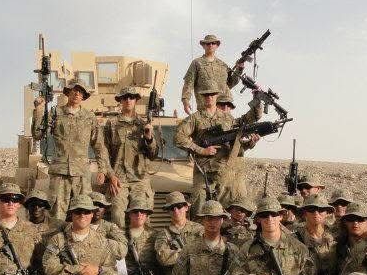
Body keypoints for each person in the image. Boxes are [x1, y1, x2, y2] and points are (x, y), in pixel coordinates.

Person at [175, 80, 259, 212]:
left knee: (229, 215)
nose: (209, 97)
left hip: (225, 175)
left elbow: (250, 120)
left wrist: (257, 100)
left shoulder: (228, 119)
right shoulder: (195, 118)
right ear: (201, 97)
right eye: (206, 94)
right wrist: (202, 150)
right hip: (203, 176)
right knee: (200, 214)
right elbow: (178, 137)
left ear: (216, 96)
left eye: (212, 94)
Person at [31, 80, 109, 220]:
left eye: (81, 91)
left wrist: (102, 169)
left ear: (84, 96)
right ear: (68, 92)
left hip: (81, 175)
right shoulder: (56, 113)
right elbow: (37, 134)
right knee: (57, 215)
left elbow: (99, 145)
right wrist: (39, 110)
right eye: (74, 90)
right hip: (60, 173)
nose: (77, 93)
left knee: (83, 214)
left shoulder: (89, 117)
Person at [103, 87, 159, 226]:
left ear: (136, 100)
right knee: (116, 215)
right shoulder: (112, 124)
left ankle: (143, 246)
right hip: (119, 179)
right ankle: (120, 246)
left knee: (143, 217)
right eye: (125, 97)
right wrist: (110, 176)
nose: (128, 100)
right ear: (120, 101)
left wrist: (149, 138)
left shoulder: (145, 124)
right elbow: (103, 152)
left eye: (132, 97)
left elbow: (153, 155)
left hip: (140, 179)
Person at [295, 194, 337, 275]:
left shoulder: (337, 235)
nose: (316, 213)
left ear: (327, 213)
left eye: (321, 210)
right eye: (312, 209)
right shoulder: (294, 238)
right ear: (305, 212)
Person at [181, 33, 242, 114]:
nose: (210, 45)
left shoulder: (223, 65)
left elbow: (230, 83)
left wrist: (239, 69)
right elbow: (188, 83)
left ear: (217, 46)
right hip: (205, 108)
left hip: (223, 107)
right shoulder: (197, 63)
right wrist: (185, 100)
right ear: (203, 45)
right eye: (208, 43)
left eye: (213, 43)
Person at [153, 191, 202, 275]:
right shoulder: (164, 233)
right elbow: (163, 257)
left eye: (179, 206)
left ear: (186, 207)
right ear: (168, 211)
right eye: (172, 208)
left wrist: (175, 254)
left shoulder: (199, 230)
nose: (176, 210)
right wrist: (188, 253)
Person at [123, 198, 162, 275]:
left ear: (147, 215)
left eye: (142, 212)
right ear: (129, 214)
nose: (139, 214)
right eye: (135, 212)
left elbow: (160, 262)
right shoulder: (119, 234)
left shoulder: (155, 235)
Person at [90, 191, 128, 263]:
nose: (98, 209)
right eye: (94, 204)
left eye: (101, 206)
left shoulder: (111, 227)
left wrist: (99, 243)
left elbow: (122, 251)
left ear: (105, 209)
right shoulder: (76, 226)